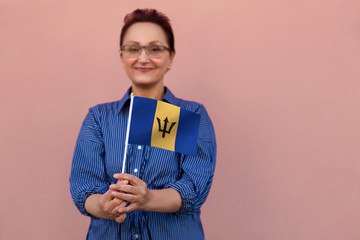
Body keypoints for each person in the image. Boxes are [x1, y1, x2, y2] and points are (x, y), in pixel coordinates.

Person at [70, 8, 216, 240]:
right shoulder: (99, 117)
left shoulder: (189, 115)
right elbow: (84, 186)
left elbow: (193, 189)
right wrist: (102, 206)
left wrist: (147, 199)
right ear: (121, 57)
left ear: (171, 57)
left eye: (155, 48)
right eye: (133, 48)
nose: (143, 57)